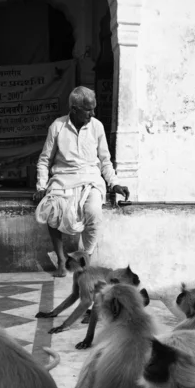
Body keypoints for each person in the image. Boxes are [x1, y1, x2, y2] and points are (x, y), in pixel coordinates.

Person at [33, 86, 129, 277]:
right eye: (88, 109)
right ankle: (61, 260)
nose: (93, 113)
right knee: (53, 209)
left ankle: (85, 260)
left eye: (94, 108)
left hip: (91, 180)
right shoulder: (58, 126)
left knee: (94, 212)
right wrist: (42, 187)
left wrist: (114, 183)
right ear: (74, 108)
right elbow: (44, 160)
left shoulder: (97, 126)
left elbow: (105, 160)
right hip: (63, 179)